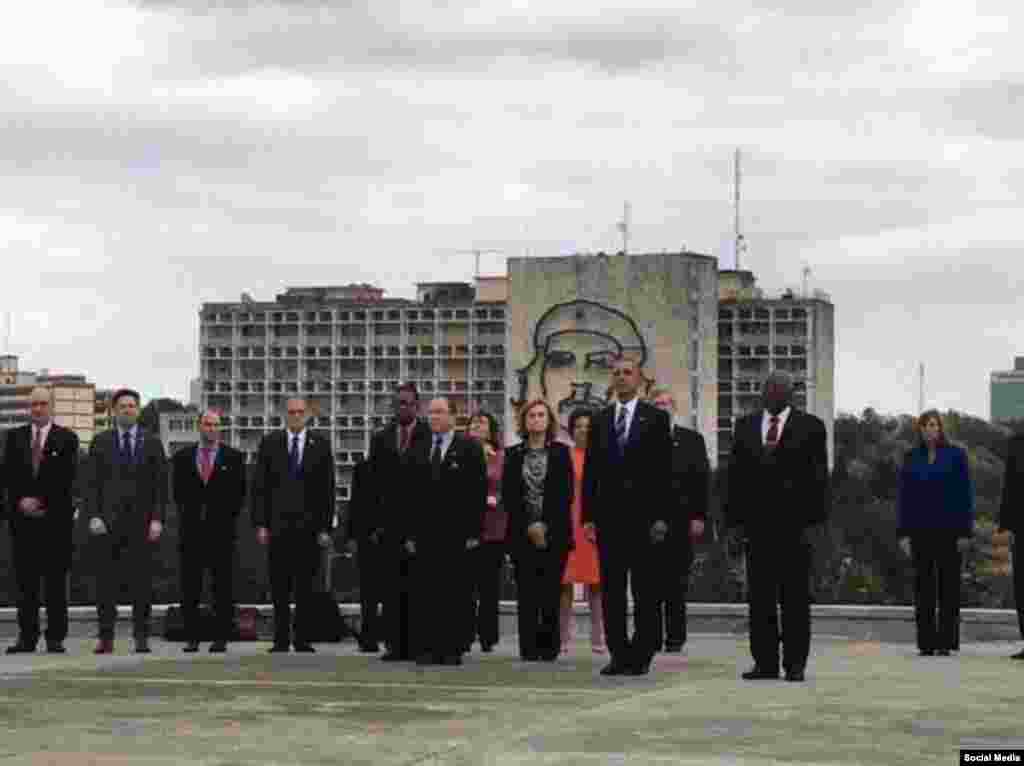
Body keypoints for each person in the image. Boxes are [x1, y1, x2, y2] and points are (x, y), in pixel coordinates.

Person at [724, 371, 829, 683]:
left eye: (777, 388)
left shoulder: (811, 427)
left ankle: (795, 664)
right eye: (766, 388)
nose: (770, 392)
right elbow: (734, 480)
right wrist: (733, 525)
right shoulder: (744, 427)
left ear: (790, 393)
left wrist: (816, 525)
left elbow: (819, 480)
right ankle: (765, 663)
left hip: (796, 529)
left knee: (795, 599)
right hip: (756, 529)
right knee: (760, 600)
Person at [582, 356, 673, 676]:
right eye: (616, 373)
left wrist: (662, 516)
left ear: (639, 379)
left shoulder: (656, 419)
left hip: (646, 521)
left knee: (645, 590)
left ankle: (642, 652)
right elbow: (591, 471)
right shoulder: (601, 419)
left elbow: (665, 473)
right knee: (612, 590)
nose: (621, 378)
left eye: (627, 373)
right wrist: (588, 517)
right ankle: (618, 653)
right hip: (609, 520)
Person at [84, 388, 168, 654]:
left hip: (142, 525)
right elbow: (90, 484)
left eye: (132, 406)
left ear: (138, 410)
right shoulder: (100, 442)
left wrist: (157, 519)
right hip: (107, 524)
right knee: (105, 584)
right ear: (114, 411)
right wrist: (94, 515)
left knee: (142, 584)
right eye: (123, 406)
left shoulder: (152, 442)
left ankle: (141, 636)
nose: (128, 410)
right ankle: (106, 637)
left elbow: (161, 486)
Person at [406, 397, 486, 665]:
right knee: (426, 590)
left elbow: (477, 492)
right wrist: (410, 534)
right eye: (431, 413)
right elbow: (409, 493)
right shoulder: (419, 446)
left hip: (457, 533)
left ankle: (451, 647)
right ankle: (427, 647)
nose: (434, 417)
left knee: (454, 591)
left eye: (440, 412)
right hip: (425, 533)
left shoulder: (469, 448)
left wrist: (474, 531)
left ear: (453, 416)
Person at [252, 397, 335, 653]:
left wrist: (325, 528)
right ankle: (280, 640)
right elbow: (260, 487)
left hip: (310, 529)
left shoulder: (320, 444)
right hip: (278, 527)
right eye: (292, 412)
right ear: (284, 415)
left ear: (308, 415)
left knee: (305, 587)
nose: (296, 416)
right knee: (279, 586)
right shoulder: (270, 443)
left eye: (300, 412)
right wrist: (261, 524)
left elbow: (327, 489)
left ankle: (302, 639)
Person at [2, 386, 79, 654]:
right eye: (34, 404)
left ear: (52, 406)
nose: (38, 409)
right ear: (28, 407)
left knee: (56, 584)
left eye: (43, 404)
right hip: (22, 525)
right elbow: (7, 479)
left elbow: (68, 482)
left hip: (55, 524)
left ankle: (55, 637)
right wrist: (19, 503)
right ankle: (27, 637)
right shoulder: (12, 438)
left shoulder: (68, 439)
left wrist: (42, 503)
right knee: (26, 585)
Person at [898, 410, 974, 657]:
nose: (931, 429)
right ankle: (926, 642)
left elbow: (964, 495)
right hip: (920, 531)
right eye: (926, 425)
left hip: (950, 531)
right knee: (924, 588)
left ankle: (946, 641)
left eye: (935, 425)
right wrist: (903, 534)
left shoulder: (956, 456)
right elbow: (904, 498)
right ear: (920, 429)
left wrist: (965, 532)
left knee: (948, 587)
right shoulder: (911, 457)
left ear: (941, 429)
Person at [171, 409, 247, 653]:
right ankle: (192, 637)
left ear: (220, 428)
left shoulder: (233, 457)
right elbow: (178, 493)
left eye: (215, 425)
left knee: (222, 587)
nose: (211, 429)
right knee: (190, 586)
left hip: (221, 532)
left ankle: (220, 637)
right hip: (191, 531)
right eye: (207, 424)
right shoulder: (182, 457)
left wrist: (224, 519)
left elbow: (239, 494)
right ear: (199, 426)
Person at [367, 382, 433, 662]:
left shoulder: (429, 436)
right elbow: (374, 483)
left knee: (418, 588)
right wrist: (374, 524)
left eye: (407, 403)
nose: (402, 408)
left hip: (420, 524)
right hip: (389, 526)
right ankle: (395, 644)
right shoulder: (381, 438)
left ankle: (417, 643)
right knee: (391, 588)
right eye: (398, 403)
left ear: (417, 406)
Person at [504, 400, 574, 661]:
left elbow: (565, 494)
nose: (536, 419)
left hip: (554, 532)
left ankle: (549, 647)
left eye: (541, 415)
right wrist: (530, 525)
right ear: (524, 421)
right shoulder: (513, 454)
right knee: (527, 591)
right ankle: (529, 648)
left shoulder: (561, 453)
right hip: (522, 532)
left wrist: (544, 524)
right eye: (531, 415)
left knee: (550, 591)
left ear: (549, 420)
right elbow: (510, 496)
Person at [647, 388, 710, 652]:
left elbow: (702, 481)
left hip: (682, 520)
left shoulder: (692, 439)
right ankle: (649, 637)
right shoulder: (640, 439)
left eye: (666, 403)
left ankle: (675, 638)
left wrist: (699, 516)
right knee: (648, 584)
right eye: (656, 404)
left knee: (675, 583)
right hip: (647, 523)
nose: (662, 407)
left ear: (674, 408)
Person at [560, 408, 605, 654]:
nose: (584, 431)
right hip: (568, 523)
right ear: (570, 429)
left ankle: (598, 635)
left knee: (597, 583)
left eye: (588, 426)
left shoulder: (603, 457)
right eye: (578, 426)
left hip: (593, 525)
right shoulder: (564, 456)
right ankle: (563, 636)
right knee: (564, 582)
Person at [465, 411, 507, 653]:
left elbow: (507, 487)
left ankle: (488, 636)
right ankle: (466, 632)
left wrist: (493, 497)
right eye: (473, 423)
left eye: (483, 423)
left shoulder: (501, 457)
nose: (478, 426)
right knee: (466, 584)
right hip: (466, 527)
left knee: (489, 585)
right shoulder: (460, 452)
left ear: (492, 430)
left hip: (493, 526)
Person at [345, 455, 386, 653]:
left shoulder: (404, 463)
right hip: (366, 537)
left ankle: (391, 636)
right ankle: (369, 637)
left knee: (391, 591)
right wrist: (352, 535)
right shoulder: (362, 468)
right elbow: (356, 502)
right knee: (368, 590)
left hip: (392, 535)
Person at [998, 429, 1024, 659]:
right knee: (1022, 586)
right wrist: (1005, 526)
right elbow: (1010, 485)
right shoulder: (1016, 442)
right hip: (1021, 526)